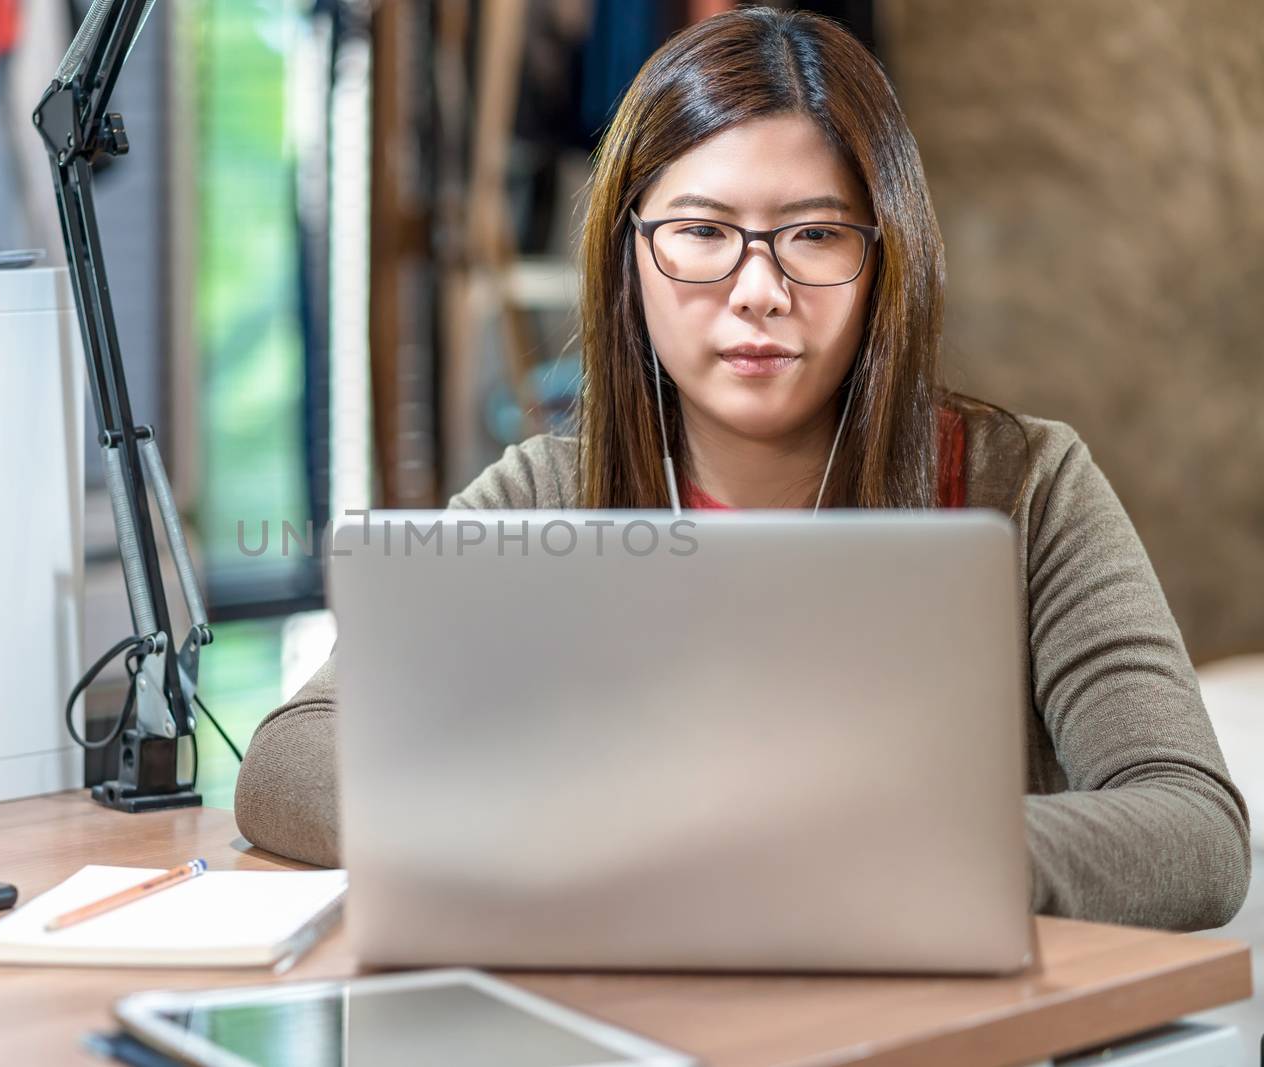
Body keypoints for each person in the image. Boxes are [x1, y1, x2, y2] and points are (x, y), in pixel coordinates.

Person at [235, 7, 1249, 931]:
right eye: (702, 233)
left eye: (812, 234)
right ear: (629, 255)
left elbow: (1193, 831)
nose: (758, 289)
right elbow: (291, 757)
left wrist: (876, 851)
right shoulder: (549, 491)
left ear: (885, 253)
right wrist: (562, 821)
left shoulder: (1021, 484)